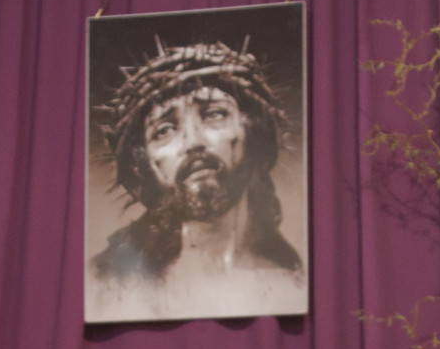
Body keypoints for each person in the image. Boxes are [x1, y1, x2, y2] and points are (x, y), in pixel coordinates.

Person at [90, 41, 303, 309]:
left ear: (251, 132)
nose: (193, 142)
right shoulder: (109, 282)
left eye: (213, 114)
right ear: (144, 163)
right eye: (164, 130)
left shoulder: (295, 280)